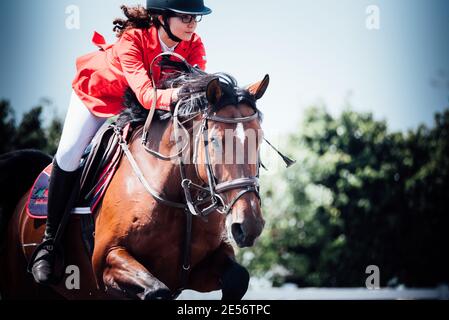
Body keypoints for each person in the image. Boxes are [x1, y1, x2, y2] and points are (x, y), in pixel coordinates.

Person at [30, 0, 212, 284]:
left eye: (196, 18)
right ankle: (49, 242)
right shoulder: (133, 38)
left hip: (139, 107)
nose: (192, 24)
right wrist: (183, 95)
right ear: (162, 17)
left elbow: (194, 87)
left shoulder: (194, 43)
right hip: (99, 96)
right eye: (186, 17)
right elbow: (148, 96)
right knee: (67, 154)